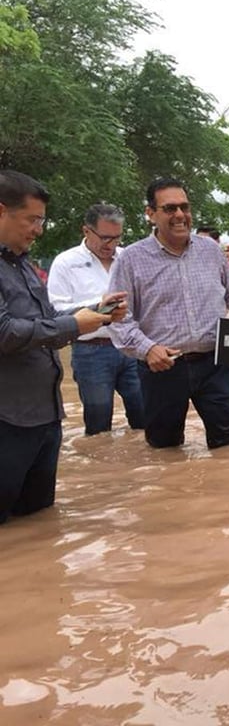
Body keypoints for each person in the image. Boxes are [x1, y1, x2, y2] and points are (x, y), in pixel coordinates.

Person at [0, 171, 126, 523]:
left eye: (41, 220)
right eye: (32, 219)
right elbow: (5, 333)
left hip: (44, 416)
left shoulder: (21, 264)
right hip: (8, 419)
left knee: (39, 523)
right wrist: (75, 324)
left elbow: (47, 318)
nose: (38, 229)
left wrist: (96, 312)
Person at [108, 178, 229, 450]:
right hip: (162, 367)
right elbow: (118, 318)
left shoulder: (210, 250)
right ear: (150, 213)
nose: (180, 215)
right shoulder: (130, 259)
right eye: (169, 208)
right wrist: (147, 348)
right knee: (165, 451)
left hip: (215, 364)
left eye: (184, 207)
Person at [47, 203, 145, 435]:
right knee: (98, 425)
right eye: (105, 238)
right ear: (86, 231)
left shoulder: (128, 258)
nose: (111, 244)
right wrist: (99, 307)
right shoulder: (66, 262)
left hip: (132, 347)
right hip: (91, 351)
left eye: (117, 238)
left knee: (146, 415)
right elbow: (55, 311)